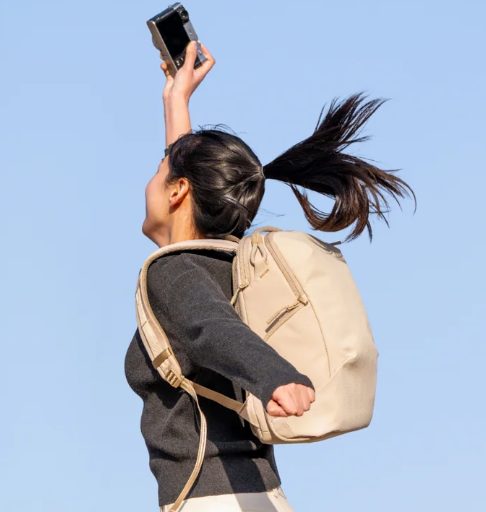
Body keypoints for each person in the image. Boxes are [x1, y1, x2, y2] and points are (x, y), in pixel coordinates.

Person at [124, 41, 414, 512]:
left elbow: (210, 326)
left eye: (159, 172)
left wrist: (276, 376)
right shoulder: (229, 266)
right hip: (262, 496)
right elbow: (190, 218)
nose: (149, 183)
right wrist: (177, 102)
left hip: (212, 501)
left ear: (178, 191)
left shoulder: (172, 273)